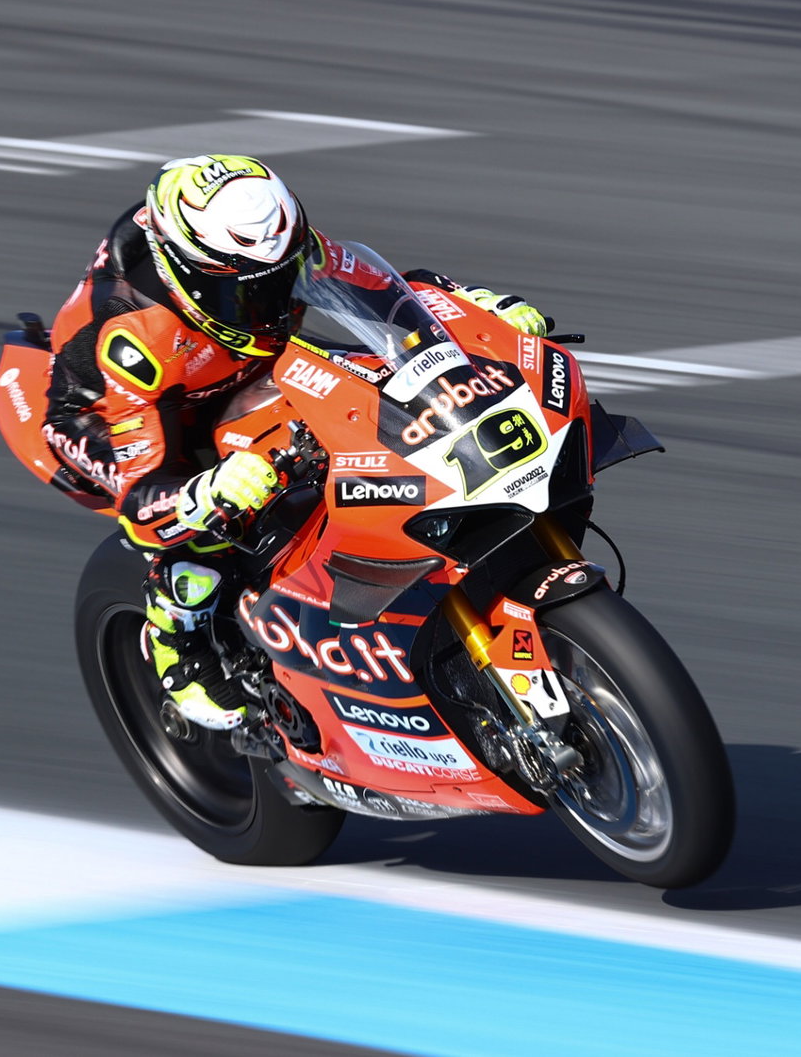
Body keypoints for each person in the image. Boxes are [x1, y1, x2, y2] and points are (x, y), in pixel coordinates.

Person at [43, 153, 550, 731]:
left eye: (280, 278)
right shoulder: (134, 333)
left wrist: (470, 304)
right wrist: (202, 491)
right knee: (215, 512)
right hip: (110, 415)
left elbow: (382, 291)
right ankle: (177, 644)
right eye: (248, 292)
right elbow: (141, 492)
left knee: (354, 405)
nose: (272, 300)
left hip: (233, 372)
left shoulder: (275, 245)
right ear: (190, 274)